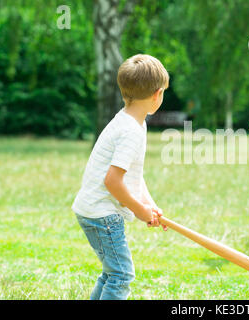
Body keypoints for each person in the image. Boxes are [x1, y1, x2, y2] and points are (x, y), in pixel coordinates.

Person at [72, 54, 169, 300]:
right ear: (157, 95)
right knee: (121, 275)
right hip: (101, 214)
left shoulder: (134, 122)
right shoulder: (130, 132)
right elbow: (112, 181)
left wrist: (149, 205)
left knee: (112, 273)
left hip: (95, 210)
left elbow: (133, 175)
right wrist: (138, 210)